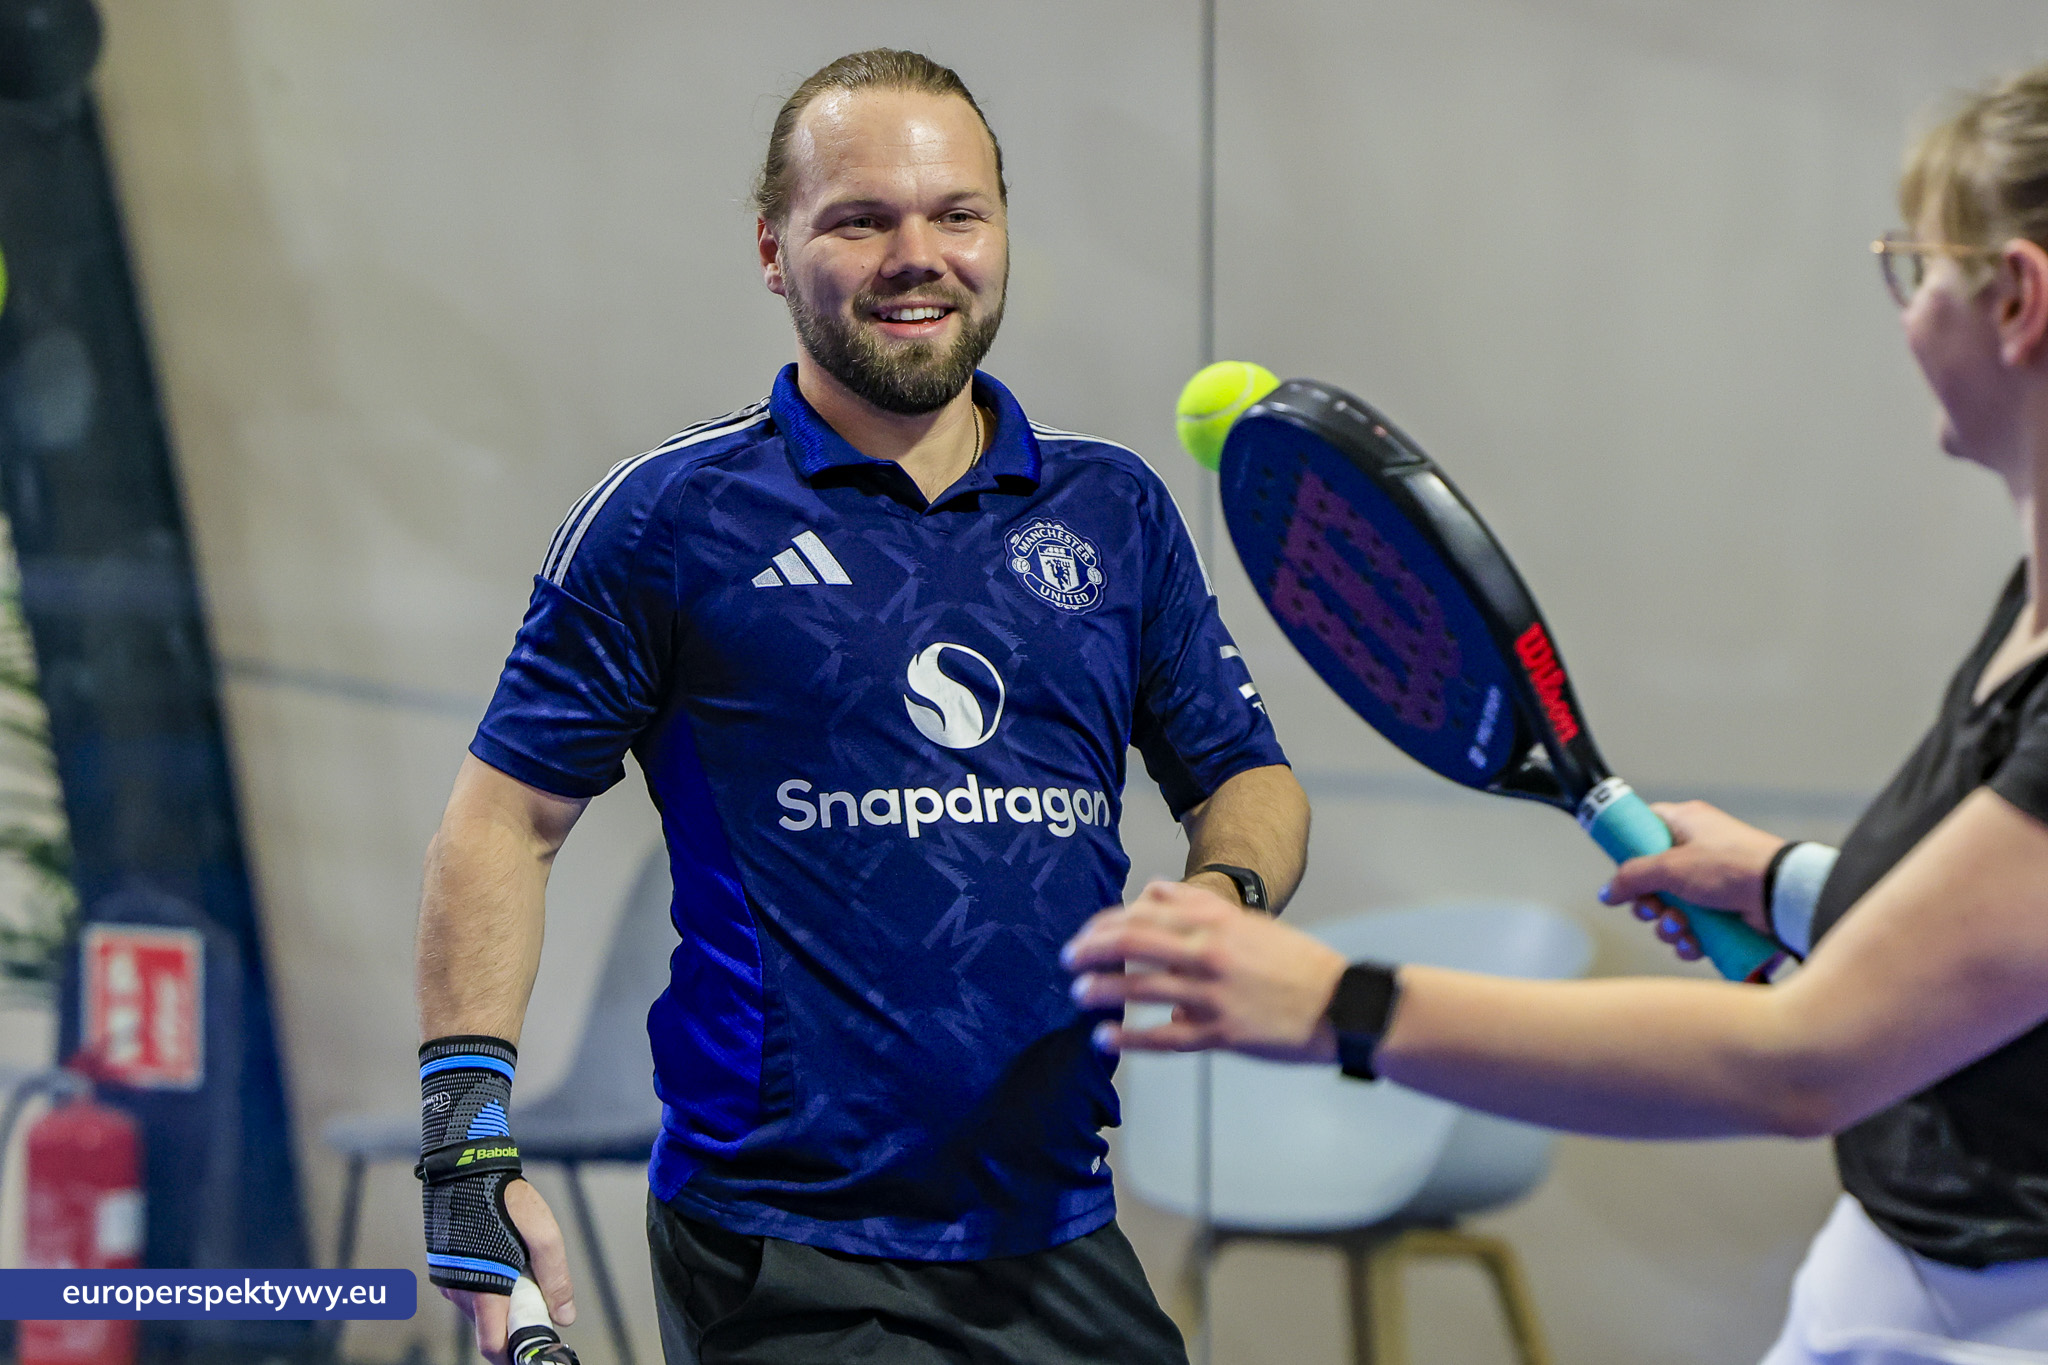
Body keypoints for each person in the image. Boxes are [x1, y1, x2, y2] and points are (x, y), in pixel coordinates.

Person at [1065, 61, 2048, 1365]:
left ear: (2018, 298)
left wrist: (1334, 1002)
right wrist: (1786, 880)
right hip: (1897, 1272)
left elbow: (1804, 1058)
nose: (1907, 306)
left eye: (1913, 267)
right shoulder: (2027, 599)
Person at [413, 48, 1309, 1365]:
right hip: (782, 1245)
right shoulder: (668, 519)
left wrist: (1222, 899)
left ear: (1003, 231)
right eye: (860, 218)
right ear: (773, 249)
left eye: (957, 214)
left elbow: (1247, 774)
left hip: (1057, 1227)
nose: (917, 255)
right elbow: (502, 823)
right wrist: (463, 1147)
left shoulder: (1115, 513)